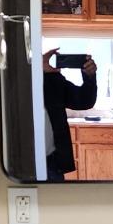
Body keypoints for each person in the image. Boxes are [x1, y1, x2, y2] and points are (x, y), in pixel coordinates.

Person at [42, 48, 98, 181]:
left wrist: (89, 76)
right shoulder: (17, 83)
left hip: (52, 162)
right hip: (25, 162)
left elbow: (84, 100)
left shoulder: (51, 80)